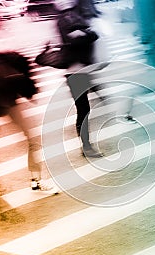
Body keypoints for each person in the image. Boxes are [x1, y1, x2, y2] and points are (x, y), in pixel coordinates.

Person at [55, 0, 103, 158]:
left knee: (86, 108)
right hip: (75, 73)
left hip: (83, 70)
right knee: (83, 110)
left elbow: (93, 35)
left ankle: (87, 146)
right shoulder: (64, 20)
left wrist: (83, 34)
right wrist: (84, 34)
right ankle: (87, 147)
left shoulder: (75, 16)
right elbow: (74, 40)